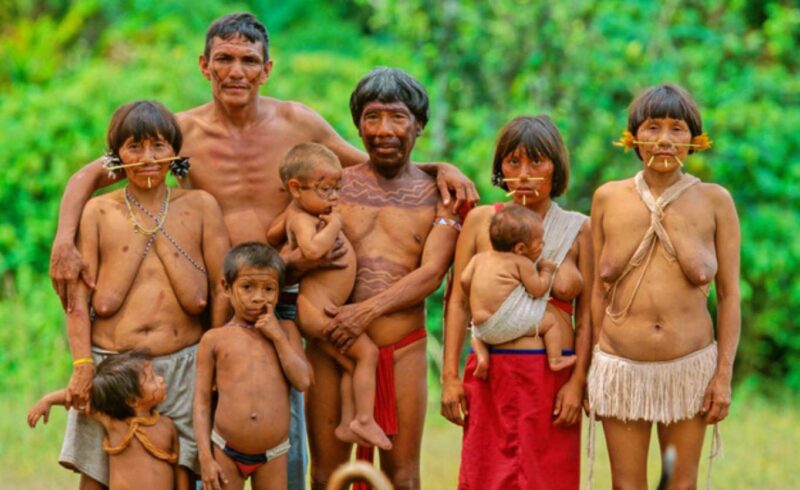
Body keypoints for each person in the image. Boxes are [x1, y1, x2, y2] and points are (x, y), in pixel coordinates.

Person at [48, 13, 478, 489]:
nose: (236, 71)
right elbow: (90, 174)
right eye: (224, 59)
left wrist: (442, 168)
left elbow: (375, 162)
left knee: (281, 439)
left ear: (266, 68)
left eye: (248, 61)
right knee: (209, 441)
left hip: (287, 301)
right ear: (204, 66)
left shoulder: (297, 123)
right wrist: (65, 241)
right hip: (219, 304)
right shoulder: (180, 135)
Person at [57, 100, 229, 489]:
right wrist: (83, 365)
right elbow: (78, 303)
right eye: (134, 146)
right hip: (111, 369)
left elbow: (222, 291)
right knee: (97, 476)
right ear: (115, 155)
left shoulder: (201, 207)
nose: (147, 158)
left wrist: (215, 361)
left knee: (181, 474)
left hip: (184, 368)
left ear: (175, 151)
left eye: (158, 145)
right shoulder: (98, 213)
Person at [305, 67, 460, 489]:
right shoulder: (333, 187)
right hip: (333, 345)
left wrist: (366, 312)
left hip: (403, 348)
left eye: (397, 118)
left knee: (403, 476)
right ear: (357, 125)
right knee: (324, 475)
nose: (384, 130)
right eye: (372, 118)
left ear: (419, 126)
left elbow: (432, 273)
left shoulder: (441, 196)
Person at [587, 83, 739, 489]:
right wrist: (587, 368)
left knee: (679, 483)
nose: (665, 140)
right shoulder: (608, 198)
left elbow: (728, 295)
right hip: (622, 368)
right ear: (633, 137)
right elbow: (596, 291)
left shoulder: (714, 201)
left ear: (695, 140)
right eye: (653, 127)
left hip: (688, 369)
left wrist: (722, 375)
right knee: (626, 485)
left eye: (677, 128)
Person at [441, 115, 592, 490]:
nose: (524, 174)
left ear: (556, 167)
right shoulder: (480, 222)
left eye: (536, 162)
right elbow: (458, 302)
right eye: (513, 162)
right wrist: (449, 378)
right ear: (500, 169)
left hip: (552, 381)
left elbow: (590, 316)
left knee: (549, 479)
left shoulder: (579, 227)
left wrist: (577, 383)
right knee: (484, 476)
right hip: (490, 376)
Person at [271, 143, 391, 450]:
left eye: (338, 189)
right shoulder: (302, 217)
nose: (334, 198)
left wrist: (285, 224)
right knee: (367, 354)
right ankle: (364, 419)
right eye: (326, 190)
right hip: (317, 310)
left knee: (352, 364)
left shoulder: (297, 212)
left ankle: (348, 424)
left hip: (320, 308)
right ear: (295, 188)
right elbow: (311, 251)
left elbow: (272, 234)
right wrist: (335, 224)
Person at [194, 242, 311, 490]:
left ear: (279, 292)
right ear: (226, 287)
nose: (258, 297)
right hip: (225, 448)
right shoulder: (214, 340)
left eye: (269, 289)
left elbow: (302, 381)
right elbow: (201, 402)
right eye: (247, 287)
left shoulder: (287, 332)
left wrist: (276, 335)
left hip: (273, 452)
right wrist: (205, 457)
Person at [31, 350, 182, 490]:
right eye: (152, 379)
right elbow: (84, 396)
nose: (161, 379)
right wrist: (48, 400)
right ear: (132, 400)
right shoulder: (115, 425)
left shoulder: (167, 426)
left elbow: (178, 468)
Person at [463, 204, 577, 379]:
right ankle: (556, 359)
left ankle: (483, 358)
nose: (543, 245)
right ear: (520, 248)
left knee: (475, 335)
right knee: (550, 322)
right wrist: (546, 271)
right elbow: (537, 290)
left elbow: (464, 281)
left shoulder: (479, 259)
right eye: (540, 243)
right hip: (506, 323)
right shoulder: (520, 262)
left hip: (482, 328)